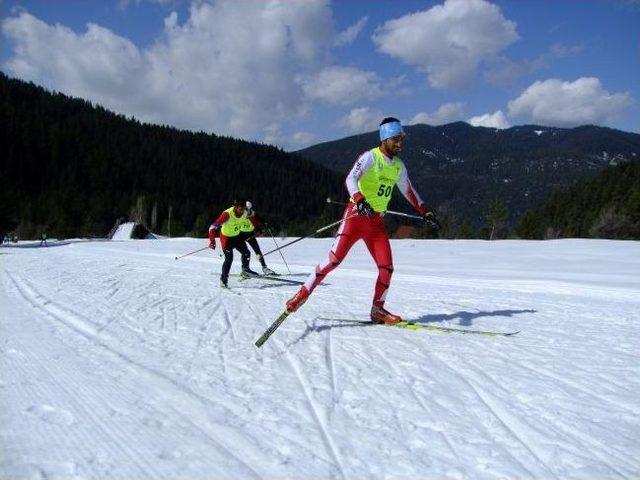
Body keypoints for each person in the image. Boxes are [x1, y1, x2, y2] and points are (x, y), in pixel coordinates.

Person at [285, 117, 440, 324]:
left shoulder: (398, 166)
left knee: (386, 268)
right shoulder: (370, 157)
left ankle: (378, 310)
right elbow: (350, 178)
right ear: (385, 138)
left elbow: (409, 191)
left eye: (401, 139)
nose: (400, 143)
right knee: (333, 261)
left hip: (376, 223)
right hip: (356, 217)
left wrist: (425, 211)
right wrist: (359, 200)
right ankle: (301, 295)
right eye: (395, 139)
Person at [208, 199, 260, 288]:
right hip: (226, 239)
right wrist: (212, 240)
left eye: (243, 208)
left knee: (246, 253)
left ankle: (245, 270)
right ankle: (223, 280)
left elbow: (252, 218)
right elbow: (212, 227)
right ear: (235, 207)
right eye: (240, 208)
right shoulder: (227, 215)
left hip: (236, 237)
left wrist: (258, 228)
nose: (242, 211)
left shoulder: (245, 212)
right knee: (229, 259)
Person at [238, 201, 278, 275]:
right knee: (245, 252)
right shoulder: (240, 213)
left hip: (250, 234)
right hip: (241, 234)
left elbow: (258, 219)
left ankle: (264, 268)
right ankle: (245, 269)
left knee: (257, 251)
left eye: (249, 208)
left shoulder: (251, 212)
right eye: (247, 208)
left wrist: (265, 224)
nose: (248, 210)